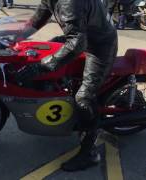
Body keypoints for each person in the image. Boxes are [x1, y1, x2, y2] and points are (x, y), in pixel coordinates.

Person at [14, 0, 118, 172]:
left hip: (100, 44)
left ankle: (89, 154)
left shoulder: (70, 2)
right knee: (43, 50)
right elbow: (37, 20)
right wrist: (13, 38)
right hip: (84, 34)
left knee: (83, 99)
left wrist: (41, 67)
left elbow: (77, 44)